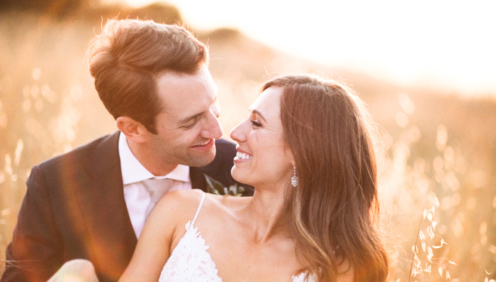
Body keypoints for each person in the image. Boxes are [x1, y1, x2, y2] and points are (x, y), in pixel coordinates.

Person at [1, 19, 252, 282]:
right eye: (191, 121)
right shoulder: (53, 185)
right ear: (132, 129)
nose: (217, 130)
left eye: (213, 104)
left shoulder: (239, 168)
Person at [120, 74, 389, 281]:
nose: (235, 133)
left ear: (302, 151)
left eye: (257, 123)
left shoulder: (341, 266)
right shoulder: (180, 211)